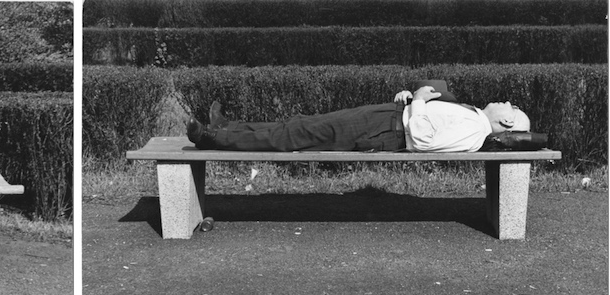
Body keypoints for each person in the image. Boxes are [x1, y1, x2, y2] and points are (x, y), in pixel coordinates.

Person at [186, 80, 533, 152]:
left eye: (512, 108)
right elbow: (424, 121)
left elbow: (425, 138)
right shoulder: (472, 117)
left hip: (385, 129)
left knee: (297, 134)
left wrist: (421, 102)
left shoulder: (474, 129)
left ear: (506, 124)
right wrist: (413, 99)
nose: (506, 102)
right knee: (299, 125)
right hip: (388, 118)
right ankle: (226, 128)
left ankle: (213, 138)